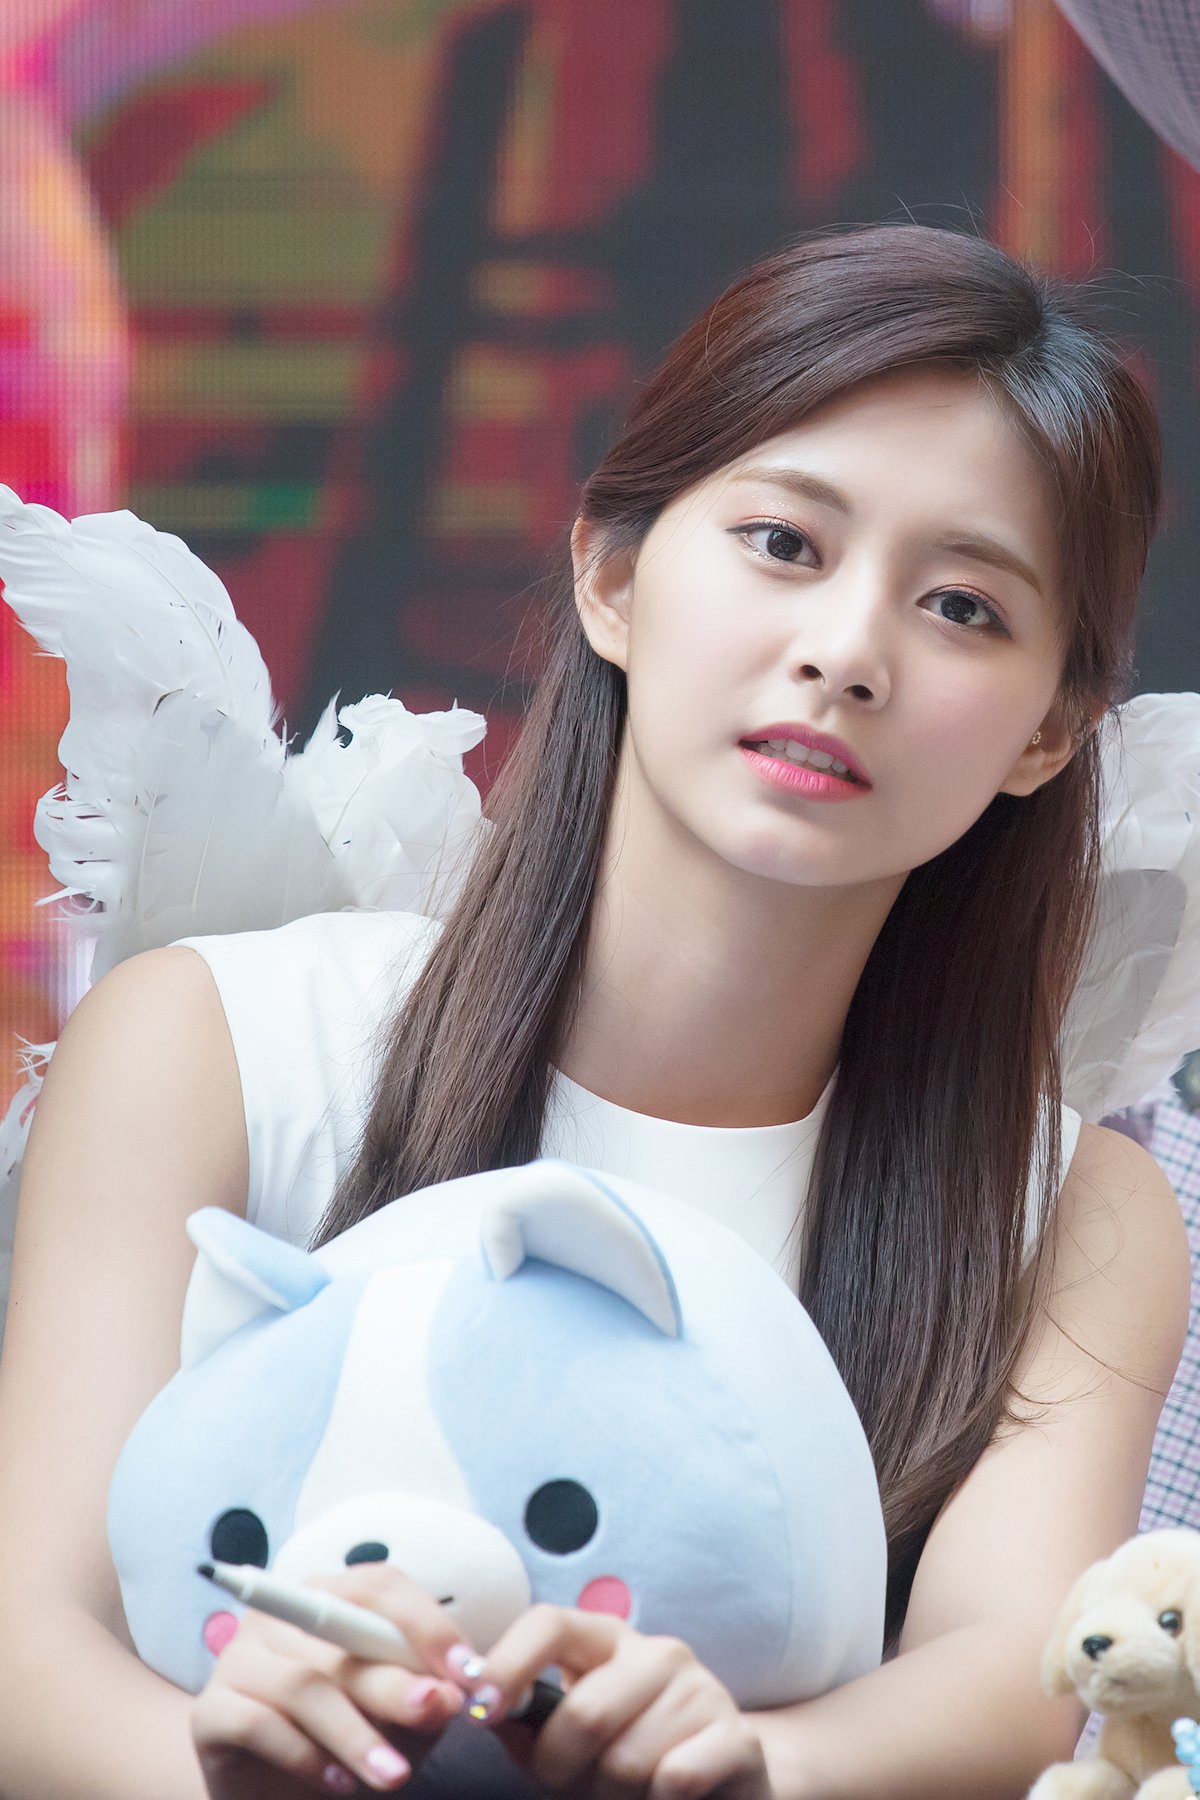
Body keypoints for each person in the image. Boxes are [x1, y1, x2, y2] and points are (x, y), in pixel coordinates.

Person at [0, 220, 1189, 1800]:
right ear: (613, 577)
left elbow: (1007, 1685)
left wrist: (732, 1768)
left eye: (964, 607)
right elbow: (29, 1645)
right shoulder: (212, 1041)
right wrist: (237, 1770)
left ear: (1051, 731)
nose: (846, 653)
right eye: (784, 542)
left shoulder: (1074, 1212)